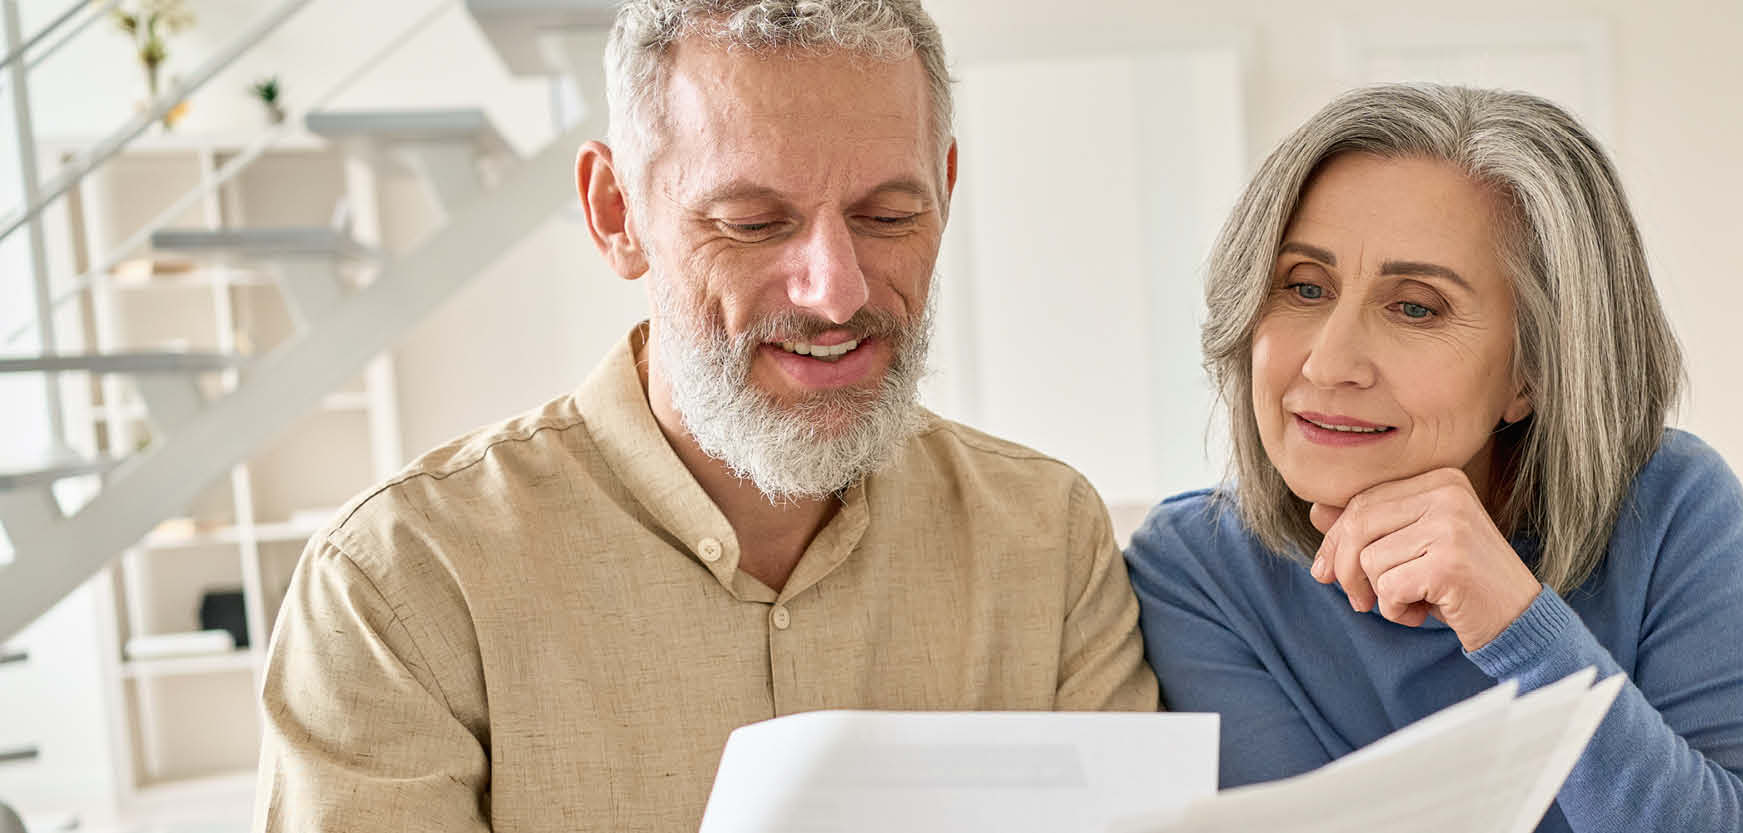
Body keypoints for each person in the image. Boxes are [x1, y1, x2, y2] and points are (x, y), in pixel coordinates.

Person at [253, 2, 1157, 830]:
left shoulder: (1051, 541)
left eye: (887, 214)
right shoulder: (401, 584)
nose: (836, 293)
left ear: (946, 191)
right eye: (753, 223)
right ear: (617, 214)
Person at [1124, 83, 1743, 833]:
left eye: (1415, 306)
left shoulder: (1670, 508)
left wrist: (1525, 631)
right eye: (1304, 287)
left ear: (1532, 368)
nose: (1329, 361)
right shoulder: (1195, 571)